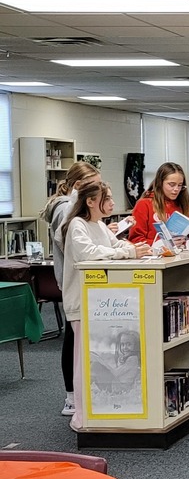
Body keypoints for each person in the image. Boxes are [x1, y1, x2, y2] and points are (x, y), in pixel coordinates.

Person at [61, 180, 150, 430]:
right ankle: (82, 414)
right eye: (107, 198)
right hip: (82, 302)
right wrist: (128, 253)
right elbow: (88, 253)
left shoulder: (98, 224)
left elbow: (115, 244)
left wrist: (135, 248)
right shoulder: (78, 225)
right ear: (90, 202)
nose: (112, 203)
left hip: (97, 302)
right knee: (83, 360)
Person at [41, 160, 100, 416]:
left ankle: (78, 394)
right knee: (72, 336)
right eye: (94, 186)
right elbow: (73, 245)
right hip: (72, 280)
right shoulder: (65, 209)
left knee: (75, 335)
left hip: (75, 278)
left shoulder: (71, 207)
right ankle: (71, 397)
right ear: (79, 186)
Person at [130, 162, 189, 247]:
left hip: (182, 257)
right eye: (171, 185)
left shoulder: (185, 207)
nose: (176, 189)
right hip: (155, 257)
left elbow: (188, 239)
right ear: (160, 183)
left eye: (180, 185)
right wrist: (163, 244)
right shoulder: (144, 204)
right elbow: (135, 241)